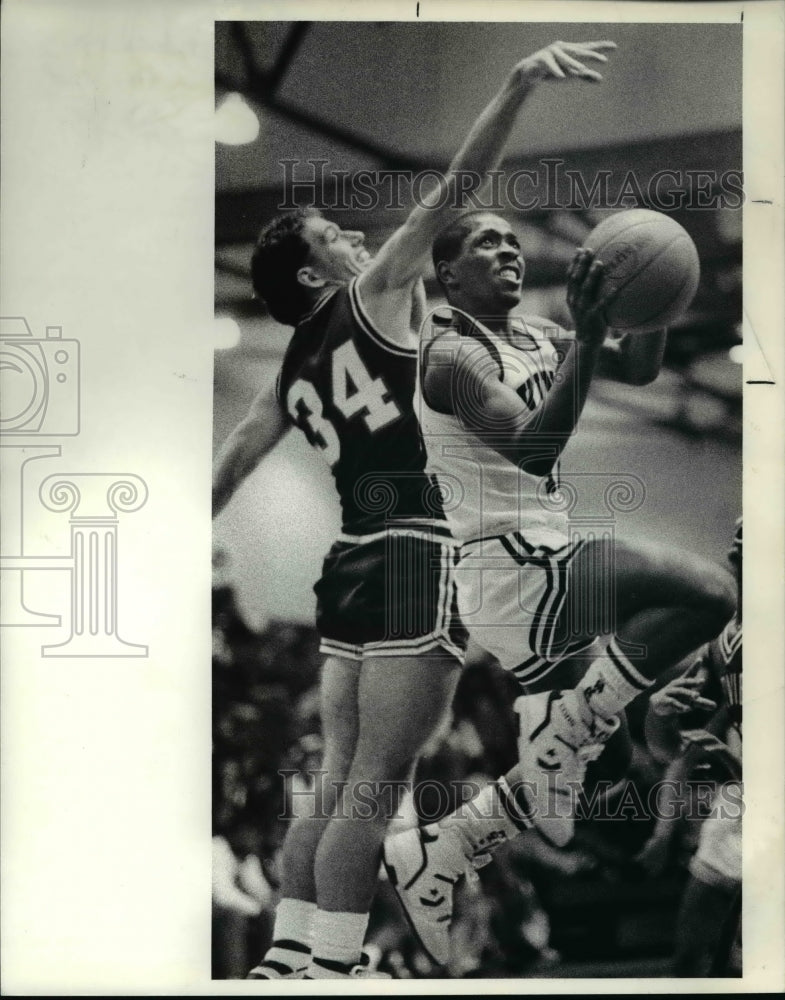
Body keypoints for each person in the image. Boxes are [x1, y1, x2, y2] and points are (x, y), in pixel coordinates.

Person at [212, 40, 620, 980]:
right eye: (336, 241)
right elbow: (455, 188)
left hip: (351, 554)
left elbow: (232, 462)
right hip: (418, 546)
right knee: (375, 787)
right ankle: (338, 965)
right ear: (318, 278)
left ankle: (287, 958)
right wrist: (515, 85)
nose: (356, 242)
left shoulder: (289, 369)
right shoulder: (371, 298)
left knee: (336, 777)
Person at [382, 212, 736, 965]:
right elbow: (536, 447)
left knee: (582, 794)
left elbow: (637, 370)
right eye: (486, 243)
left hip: (532, 565)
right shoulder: (448, 356)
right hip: (509, 566)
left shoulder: (534, 337)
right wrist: (586, 328)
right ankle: (561, 728)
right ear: (448, 275)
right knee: (708, 592)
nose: (507, 249)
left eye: (513, 240)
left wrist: (651, 305)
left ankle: (443, 849)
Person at [638, 518, 742, 976]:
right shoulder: (724, 646)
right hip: (745, 803)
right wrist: (659, 711)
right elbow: (674, 751)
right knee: (689, 961)